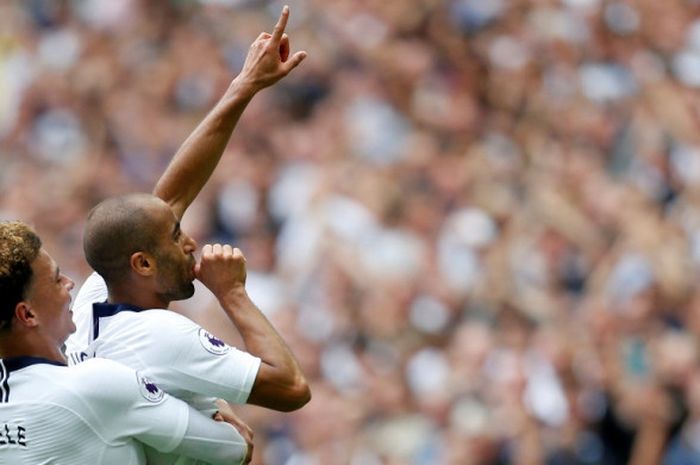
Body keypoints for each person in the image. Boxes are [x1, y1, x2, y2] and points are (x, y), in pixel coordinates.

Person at [65, 4, 310, 420]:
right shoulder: (160, 334)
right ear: (142, 263)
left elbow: (168, 199)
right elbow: (290, 388)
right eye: (177, 238)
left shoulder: (94, 300)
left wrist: (244, 86)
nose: (191, 242)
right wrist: (232, 292)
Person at [0, 221, 254, 465]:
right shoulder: (95, 383)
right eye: (57, 280)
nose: (69, 283)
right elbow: (235, 448)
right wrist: (208, 404)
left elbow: (137, 222)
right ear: (27, 315)